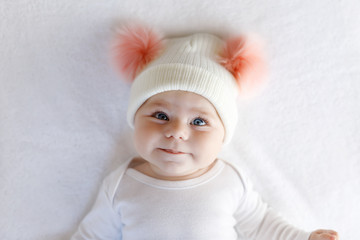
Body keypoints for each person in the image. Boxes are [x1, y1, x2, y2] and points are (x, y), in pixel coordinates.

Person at [71, 24, 339, 240]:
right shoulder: (121, 185)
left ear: (223, 134)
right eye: (160, 116)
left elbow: (260, 225)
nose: (176, 132)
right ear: (135, 119)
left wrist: (305, 238)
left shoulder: (230, 181)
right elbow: (91, 235)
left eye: (199, 122)